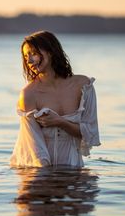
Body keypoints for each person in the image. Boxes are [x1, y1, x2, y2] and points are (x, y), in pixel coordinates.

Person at [10, 30, 100, 167]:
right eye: (26, 56)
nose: (29, 61)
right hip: (41, 174)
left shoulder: (83, 86)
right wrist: (47, 181)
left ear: (51, 52)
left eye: (33, 53)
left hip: (76, 172)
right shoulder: (28, 94)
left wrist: (60, 122)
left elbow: (91, 134)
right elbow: (35, 151)